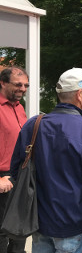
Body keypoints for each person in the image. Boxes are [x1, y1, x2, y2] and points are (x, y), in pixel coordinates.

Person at [10, 68, 82, 252]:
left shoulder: (33, 125)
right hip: (73, 223)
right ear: (79, 94)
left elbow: (16, 170)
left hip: (40, 221)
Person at [0, 66, 29, 253]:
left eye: (26, 85)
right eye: (18, 84)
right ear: (2, 83)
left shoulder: (20, 107)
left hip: (20, 175)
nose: (23, 88)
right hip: (2, 178)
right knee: (2, 231)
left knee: (20, 228)